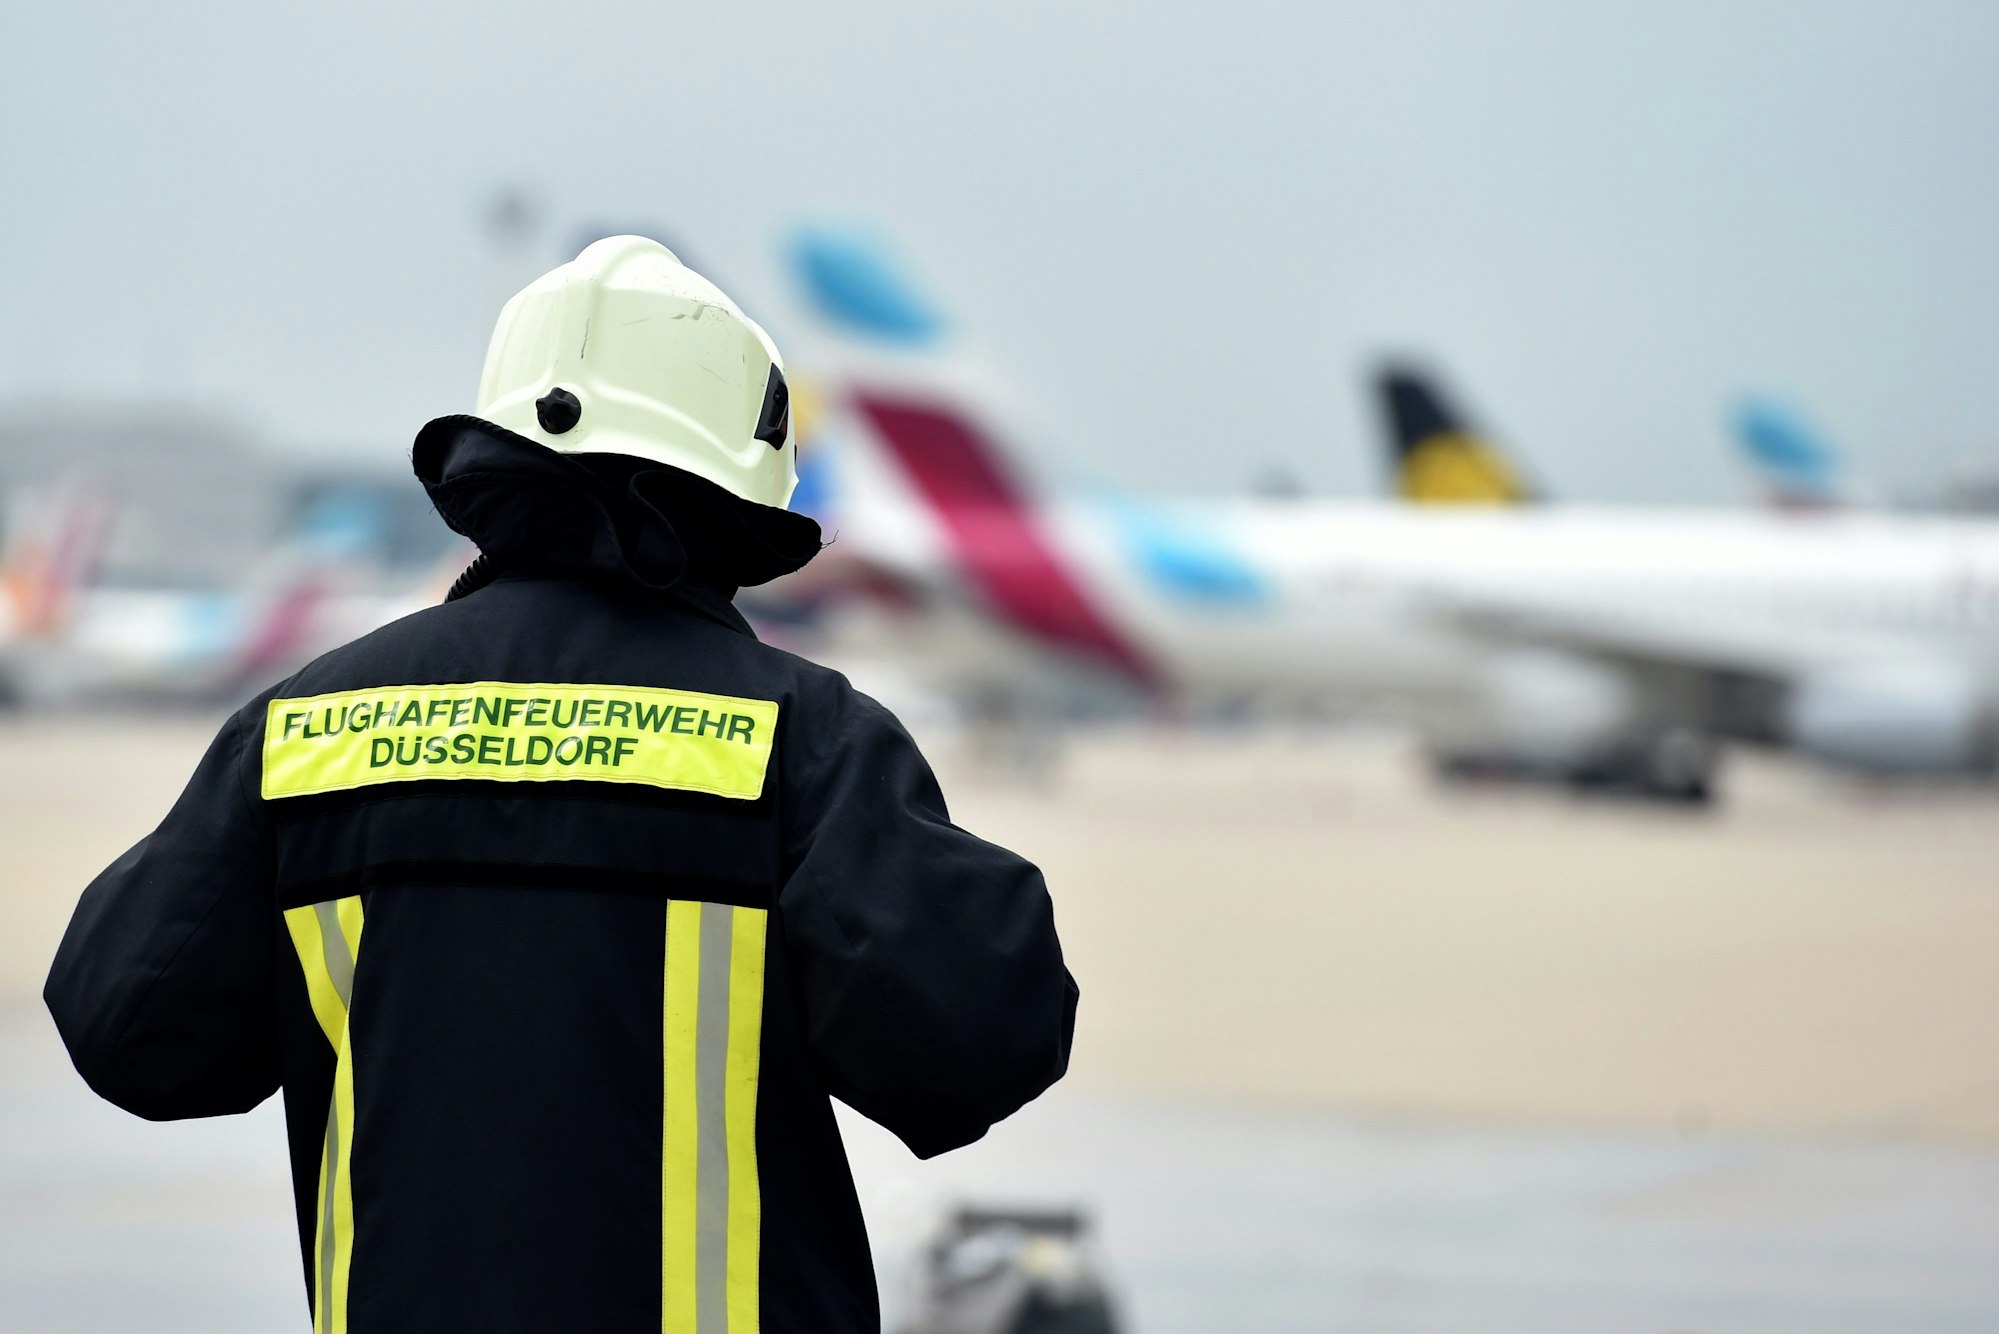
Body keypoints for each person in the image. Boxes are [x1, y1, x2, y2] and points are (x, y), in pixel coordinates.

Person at [44, 235, 1078, 1333]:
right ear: (729, 496)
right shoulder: (802, 742)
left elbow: (132, 1029)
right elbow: (982, 1042)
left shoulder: (307, 732)